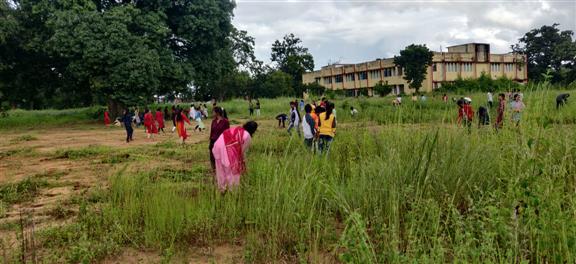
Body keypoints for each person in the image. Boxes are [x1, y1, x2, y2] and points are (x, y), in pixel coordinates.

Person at [212, 121, 258, 192]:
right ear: (253, 130)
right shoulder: (247, 136)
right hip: (227, 150)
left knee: (220, 170)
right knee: (233, 172)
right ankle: (233, 191)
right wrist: (244, 164)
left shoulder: (236, 128)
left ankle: (222, 189)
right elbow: (241, 152)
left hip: (217, 147)